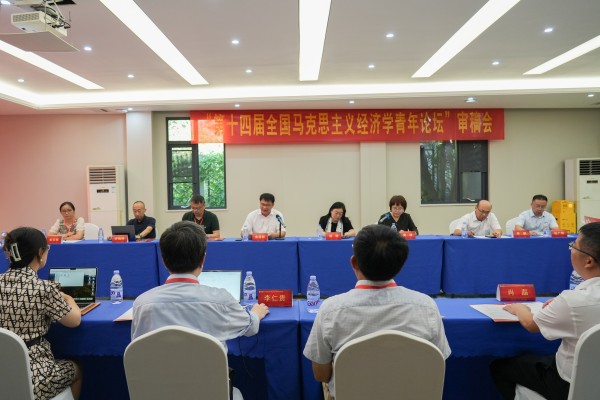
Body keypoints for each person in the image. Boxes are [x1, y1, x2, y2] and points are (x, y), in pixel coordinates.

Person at [303, 224, 450, 398]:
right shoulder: (427, 307)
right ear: (400, 264)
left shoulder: (331, 310)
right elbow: (438, 362)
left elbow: (321, 374)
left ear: (354, 262)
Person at [490, 222, 600, 400]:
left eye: (574, 246)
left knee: (500, 368)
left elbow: (531, 324)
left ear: (588, 261)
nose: (571, 250)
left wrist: (520, 308)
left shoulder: (572, 301)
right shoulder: (572, 301)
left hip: (570, 384)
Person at [0, 227, 82, 400]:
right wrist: (69, 299)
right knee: (76, 369)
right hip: (33, 378)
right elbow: (74, 320)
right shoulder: (43, 289)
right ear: (40, 252)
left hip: (3, 375)